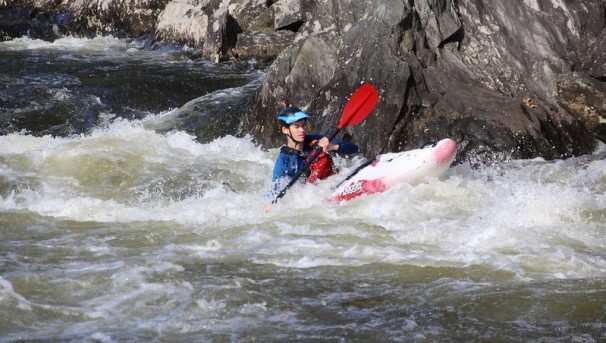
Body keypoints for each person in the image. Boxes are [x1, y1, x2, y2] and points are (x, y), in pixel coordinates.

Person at [271, 106, 359, 195]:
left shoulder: (315, 141)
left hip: (332, 184)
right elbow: (276, 192)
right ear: (285, 130)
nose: (302, 130)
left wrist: (333, 146)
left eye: (303, 126)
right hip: (312, 197)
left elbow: (354, 148)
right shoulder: (282, 162)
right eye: (297, 127)